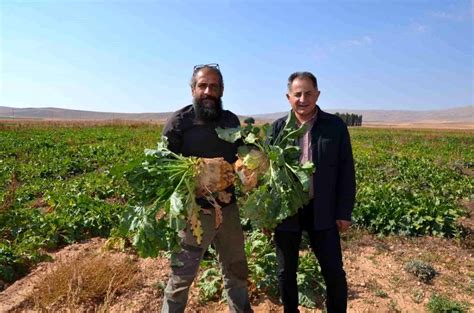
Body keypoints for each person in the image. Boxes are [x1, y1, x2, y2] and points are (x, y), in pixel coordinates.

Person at [161, 64, 253, 313]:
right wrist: (196, 176)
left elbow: (240, 157)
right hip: (194, 215)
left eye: (214, 86)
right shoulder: (179, 122)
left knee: (236, 271)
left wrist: (250, 166)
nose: (208, 91)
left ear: (221, 90)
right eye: (202, 85)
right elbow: (163, 168)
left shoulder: (230, 120)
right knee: (182, 277)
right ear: (193, 89)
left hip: (228, 209)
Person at [271, 71, 356, 313]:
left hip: (324, 209)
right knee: (286, 271)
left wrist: (344, 211)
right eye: (297, 94)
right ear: (288, 97)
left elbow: (346, 171)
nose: (303, 99)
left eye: (308, 93)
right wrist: (269, 215)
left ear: (317, 94)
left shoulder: (335, 127)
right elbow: (268, 175)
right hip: (287, 210)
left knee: (333, 270)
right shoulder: (277, 129)